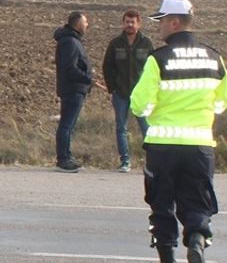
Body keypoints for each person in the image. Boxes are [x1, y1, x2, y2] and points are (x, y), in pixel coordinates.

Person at [130, 0, 227, 263]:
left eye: (161, 20)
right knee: (198, 203)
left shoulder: (158, 59)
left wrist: (154, 110)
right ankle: (197, 242)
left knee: (162, 205)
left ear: (174, 22)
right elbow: (223, 102)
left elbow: (139, 104)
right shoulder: (214, 58)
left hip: (162, 146)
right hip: (200, 146)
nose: (159, 26)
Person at [102, 9, 155, 173]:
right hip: (121, 93)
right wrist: (113, 87)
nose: (130, 25)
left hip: (141, 94)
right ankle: (125, 161)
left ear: (138, 24)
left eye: (133, 22)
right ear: (123, 23)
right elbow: (107, 66)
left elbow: (153, 68)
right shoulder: (116, 43)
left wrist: (150, 90)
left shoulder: (147, 43)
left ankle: (152, 161)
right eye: (127, 22)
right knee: (121, 128)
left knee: (146, 127)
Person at [52, 12, 104, 172]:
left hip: (75, 89)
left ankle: (66, 156)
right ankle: (63, 159)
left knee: (68, 125)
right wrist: (89, 80)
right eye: (85, 22)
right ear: (78, 24)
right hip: (72, 89)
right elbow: (70, 68)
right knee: (66, 125)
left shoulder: (72, 40)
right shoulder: (70, 42)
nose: (87, 25)